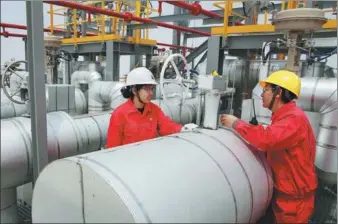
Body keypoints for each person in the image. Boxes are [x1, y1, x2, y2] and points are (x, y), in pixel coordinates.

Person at [220, 70, 317, 223]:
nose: (262, 95)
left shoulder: (293, 119)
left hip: (294, 201)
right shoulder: (284, 116)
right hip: (287, 194)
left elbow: (267, 139)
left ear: (278, 93)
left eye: (266, 90)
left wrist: (236, 123)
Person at [106, 67, 198, 148]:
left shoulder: (154, 109)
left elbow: (166, 126)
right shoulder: (119, 114)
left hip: (150, 159)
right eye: (146, 89)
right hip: (129, 162)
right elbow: (113, 147)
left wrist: (182, 129)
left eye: (152, 88)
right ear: (134, 90)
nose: (151, 93)